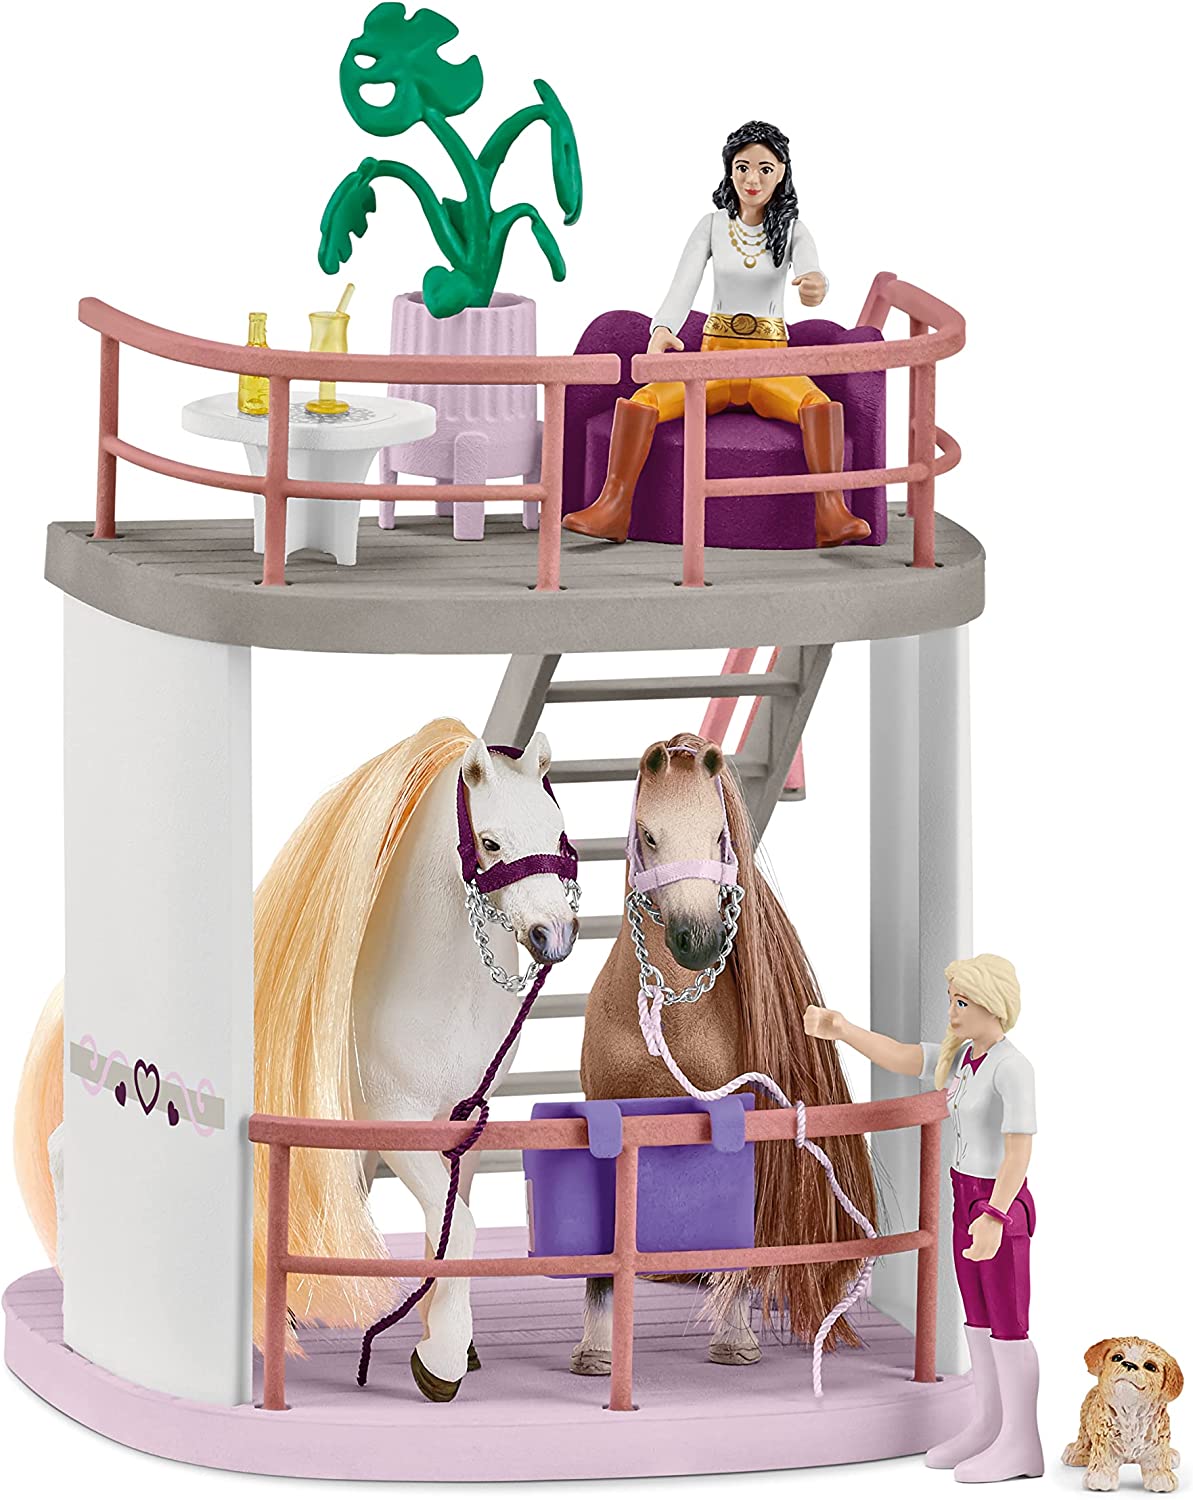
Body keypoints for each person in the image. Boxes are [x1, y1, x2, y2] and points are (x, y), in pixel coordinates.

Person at [563, 120, 870, 548]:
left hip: (771, 363)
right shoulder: (712, 226)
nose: (752, 179)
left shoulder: (793, 230)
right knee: (644, 400)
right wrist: (663, 328)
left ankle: (831, 511)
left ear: (782, 172)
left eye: (765, 168)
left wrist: (816, 284)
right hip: (713, 359)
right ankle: (612, 507)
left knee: (817, 404)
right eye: (743, 167)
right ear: (729, 170)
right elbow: (683, 284)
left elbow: (810, 270)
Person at [804, 954, 1043, 1483]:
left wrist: (996, 1215)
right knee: (977, 1317)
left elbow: (1018, 1152)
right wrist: (843, 1030)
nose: (952, 1013)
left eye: (962, 1002)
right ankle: (989, 1423)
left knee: (1009, 1323)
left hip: (997, 1204)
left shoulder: (1013, 1068)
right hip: (964, 1197)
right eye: (952, 1001)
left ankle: (1022, 1440)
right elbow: (901, 1056)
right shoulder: (961, 1061)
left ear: (992, 1005)